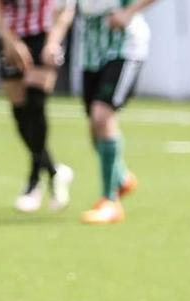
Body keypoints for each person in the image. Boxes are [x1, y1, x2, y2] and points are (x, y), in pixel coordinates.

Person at [0, 0, 75, 212]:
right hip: (9, 34)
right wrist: (8, 38)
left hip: (45, 33)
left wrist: (52, 42)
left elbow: (66, 9)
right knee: (20, 109)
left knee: (36, 104)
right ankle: (53, 170)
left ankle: (34, 181)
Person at [73, 0, 158, 224]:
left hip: (124, 46)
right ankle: (120, 178)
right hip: (91, 50)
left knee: (102, 116)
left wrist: (129, 12)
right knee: (94, 126)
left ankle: (110, 202)